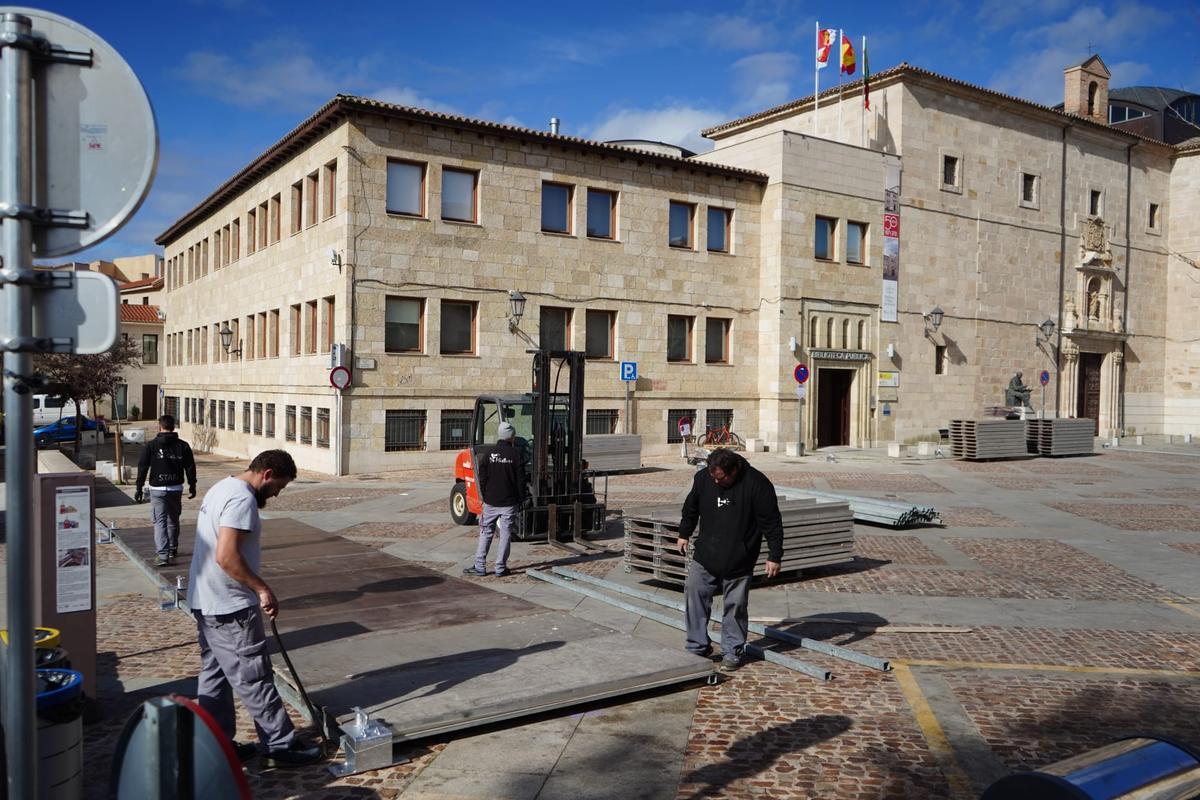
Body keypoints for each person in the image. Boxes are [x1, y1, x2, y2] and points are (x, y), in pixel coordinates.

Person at [186, 449, 322, 767]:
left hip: (205, 601)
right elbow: (226, 556)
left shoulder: (222, 487)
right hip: (229, 606)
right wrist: (262, 589)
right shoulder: (242, 499)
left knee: (215, 676)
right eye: (279, 486)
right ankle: (280, 746)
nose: (276, 494)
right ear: (268, 474)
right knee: (254, 676)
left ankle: (216, 743)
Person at [676, 448, 783, 672]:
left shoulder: (757, 484)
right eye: (713, 477)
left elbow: (772, 522)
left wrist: (774, 555)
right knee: (694, 595)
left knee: (735, 606)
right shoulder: (704, 478)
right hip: (706, 553)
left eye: (721, 478)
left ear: (734, 470)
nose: (716, 482)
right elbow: (691, 508)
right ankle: (697, 645)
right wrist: (684, 533)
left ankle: (732, 651)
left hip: (739, 558)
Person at [464, 421, 525, 577]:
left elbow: (482, 478)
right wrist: (521, 499)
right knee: (505, 534)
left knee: (485, 532)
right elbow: (520, 481)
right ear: (511, 437)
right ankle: (500, 567)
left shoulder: (489, 454)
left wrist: (484, 495)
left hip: (491, 501)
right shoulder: (516, 454)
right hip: (509, 501)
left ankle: (480, 566)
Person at [135, 414, 197, 566]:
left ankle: (163, 555)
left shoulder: (151, 445)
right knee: (173, 520)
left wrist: (139, 487)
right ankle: (172, 548)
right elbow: (190, 467)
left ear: (159, 426)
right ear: (174, 427)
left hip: (157, 489)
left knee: (160, 521)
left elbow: (143, 467)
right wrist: (192, 485)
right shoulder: (183, 446)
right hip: (175, 488)